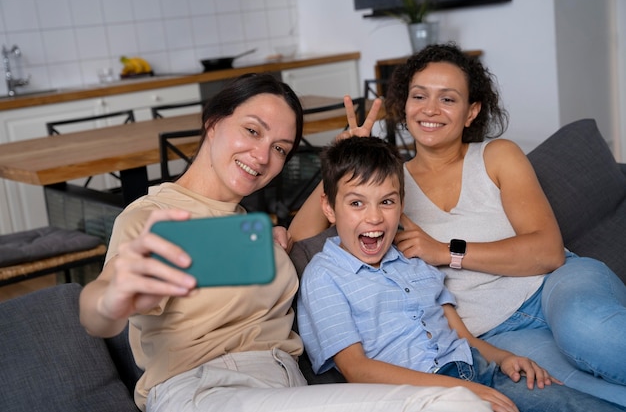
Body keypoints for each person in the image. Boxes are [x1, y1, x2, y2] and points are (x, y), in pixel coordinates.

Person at [78, 73, 491, 412]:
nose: (261, 155)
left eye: (279, 148)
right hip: (206, 390)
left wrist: (346, 154)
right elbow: (101, 311)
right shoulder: (153, 216)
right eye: (252, 131)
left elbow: (322, 213)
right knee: (452, 402)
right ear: (214, 122)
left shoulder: (253, 230)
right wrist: (114, 296)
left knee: (454, 402)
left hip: (287, 389)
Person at [289, 43, 626, 407]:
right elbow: (302, 237)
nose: (431, 109)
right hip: (493, 332)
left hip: (554, 288)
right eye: (419, 96)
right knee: (579, 392)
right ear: (403, 107)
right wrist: (343, 155)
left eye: (448, 99)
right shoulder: (387, 185)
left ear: (472, 111)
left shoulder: (497, 156)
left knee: (588, 330)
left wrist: (445, 251)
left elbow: (547, 253)